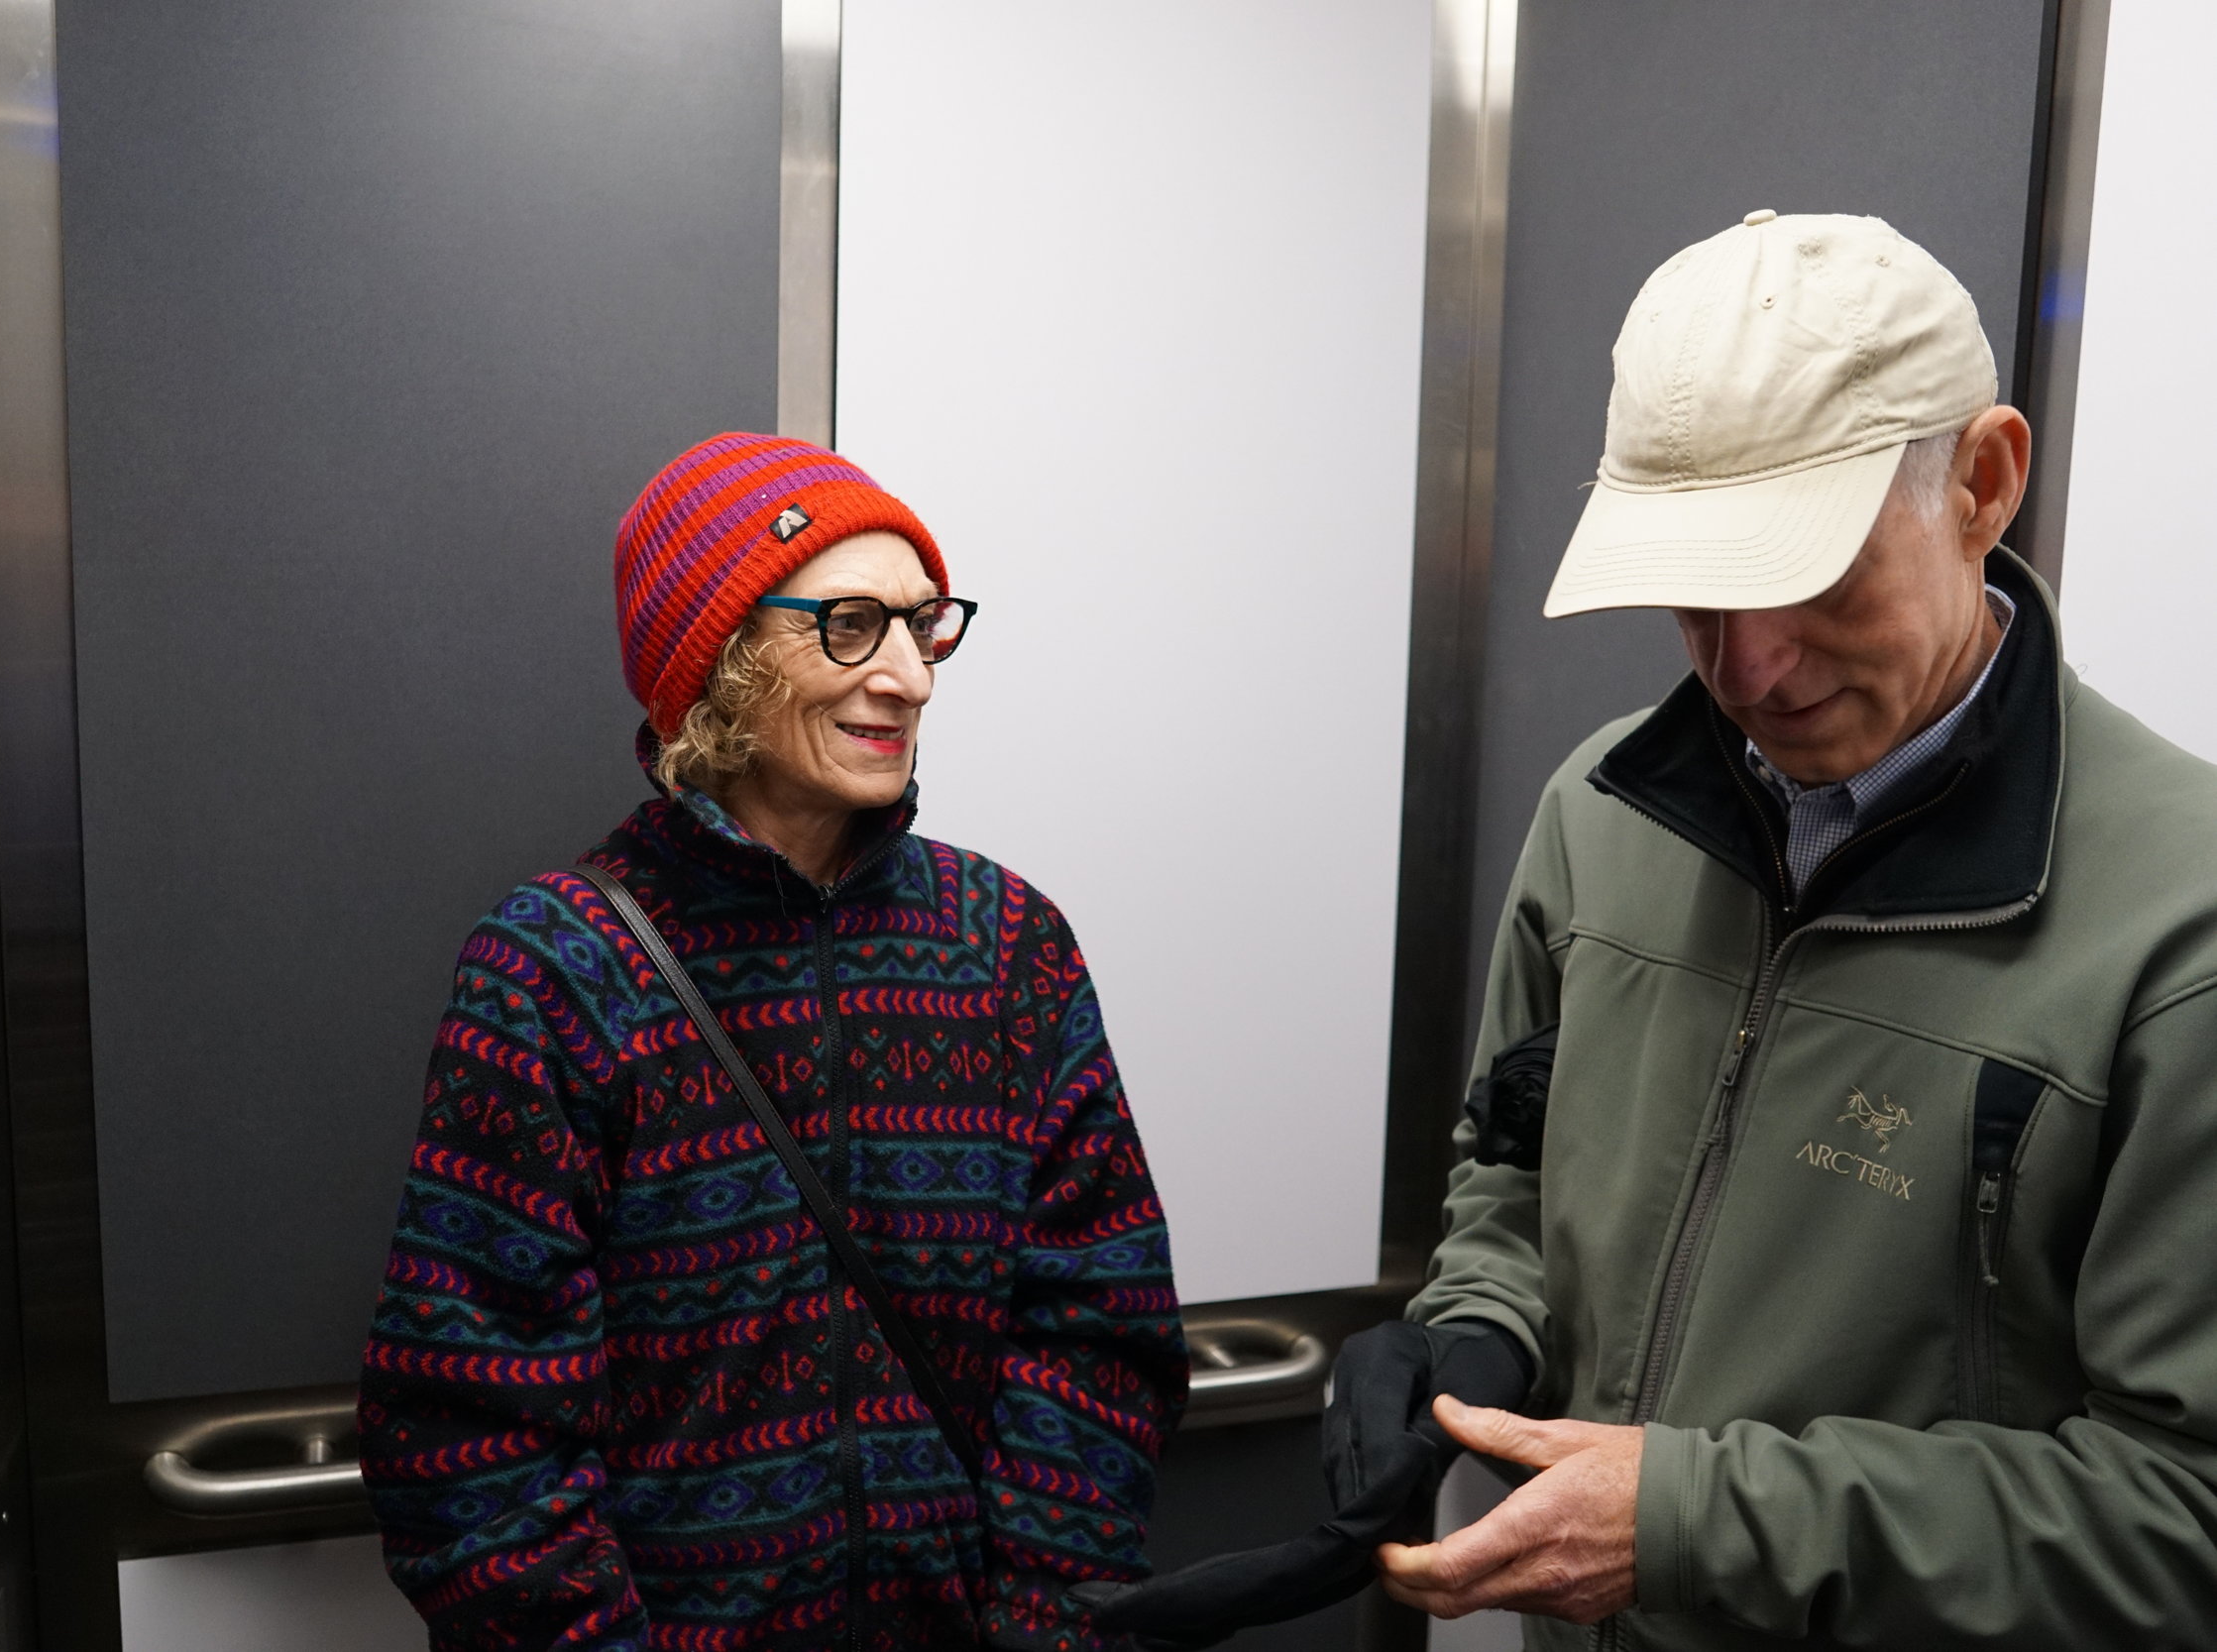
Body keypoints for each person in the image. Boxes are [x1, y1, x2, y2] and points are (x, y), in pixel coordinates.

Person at [1085, 212, 2217, 1649]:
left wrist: (1691, 1516)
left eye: (1812, 575)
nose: (1749, 664)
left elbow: (2187, 1514)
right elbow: (1511, 1176)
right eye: (1695, 591)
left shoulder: (2182, 931)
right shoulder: (1605, 817)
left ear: (1983, 481)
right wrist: (1470, 1336)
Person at [359, 433, 1189, 1651]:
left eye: (924, 624)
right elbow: (468, 1425)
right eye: (849, 624)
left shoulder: (1008, 945)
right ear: (721, 658)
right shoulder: (557, 968)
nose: (907, 676)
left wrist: (1041, 1623)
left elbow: (1098, 1329)